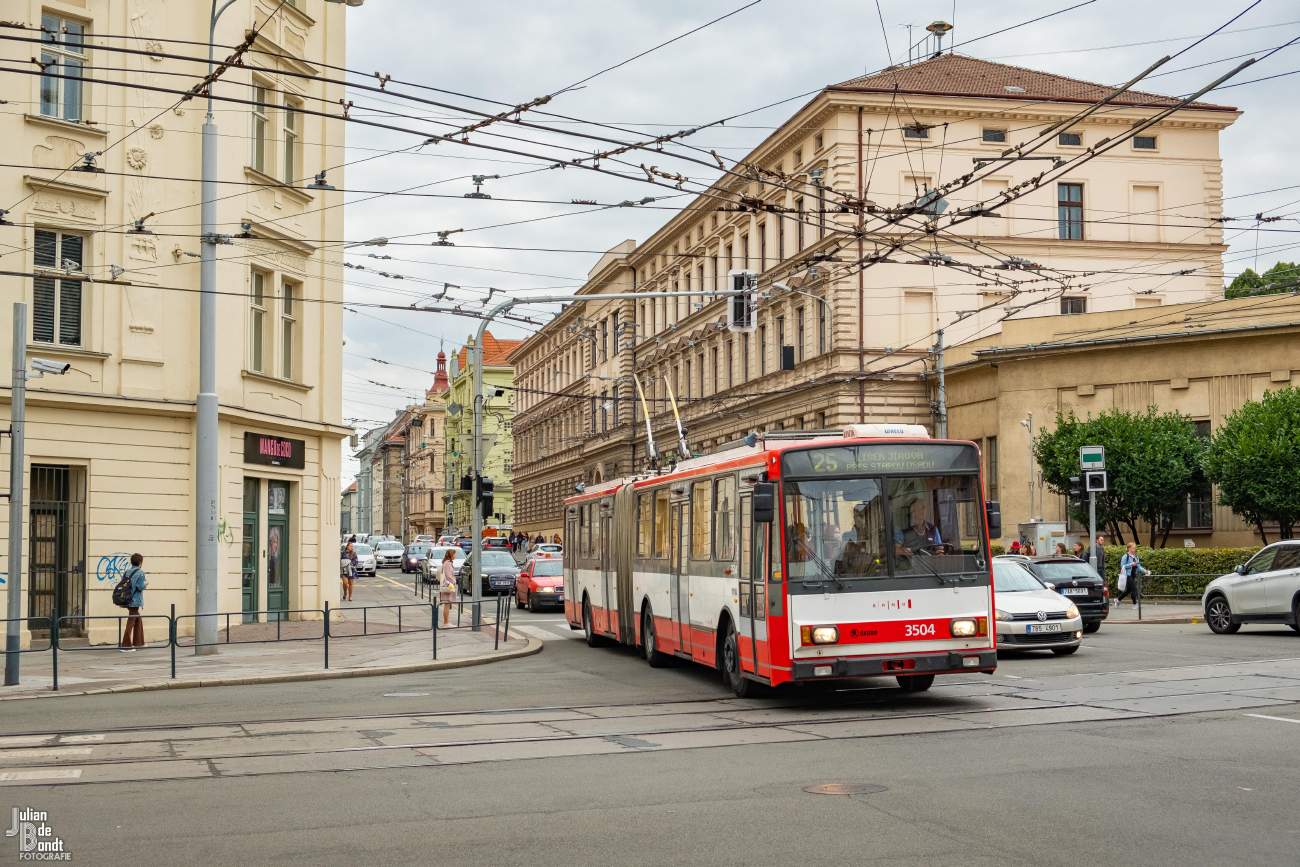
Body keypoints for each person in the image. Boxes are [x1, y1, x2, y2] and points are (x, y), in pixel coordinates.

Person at [119, 553, 148, 651]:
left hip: (127, 598)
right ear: (140, 563)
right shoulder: (140, 572)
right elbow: (140, 587)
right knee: (131, 621)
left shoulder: (127, 571)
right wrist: (145, 583)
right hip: (135, 600)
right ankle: (126, 646)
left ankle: (139, 642)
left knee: (138, 618)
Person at [1117, 542, 1150, 608]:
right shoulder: (1125, 556)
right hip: (1127, 575)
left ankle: (1118, 600)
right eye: (1133, 548)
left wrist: (1145, 571)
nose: (1134, 549)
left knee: (1129, 590)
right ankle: (1135, 604)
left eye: (1135, 548)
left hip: (1133, 574)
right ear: (1129, 548)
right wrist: (1130, 565)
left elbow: (1139, 566)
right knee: (1133, 588)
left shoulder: (1136, 557)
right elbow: (1122, 566)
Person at [437, 548, 458, 625]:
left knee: (447, 604)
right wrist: (454, 582)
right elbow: (449, 576)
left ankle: (446, 622)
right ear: (450, 555)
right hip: (448, 586)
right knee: (447, 605)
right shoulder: (448, 563)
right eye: (454, 554)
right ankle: (446, 622)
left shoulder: (446, 562)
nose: (455, 556)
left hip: (447, 585)